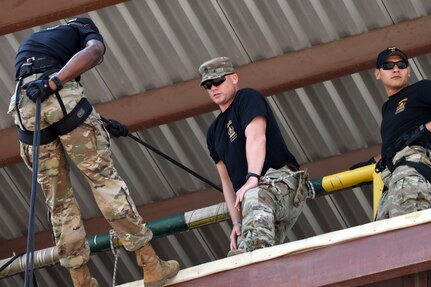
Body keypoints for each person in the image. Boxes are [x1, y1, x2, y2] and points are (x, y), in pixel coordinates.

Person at [7, 17, 179, 287]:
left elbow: (53, 108)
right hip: (56, 93)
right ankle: (151, 265)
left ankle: (81, 281)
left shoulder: (36, 41)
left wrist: (100, 120)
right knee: (104, 182)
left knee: (59, 203)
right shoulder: (80, 30)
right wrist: (54, 82)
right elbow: (93, 53)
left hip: (24, 107)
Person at [199, 57, 309, 256]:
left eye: (218, 81)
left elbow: (256, 138)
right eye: (207, 85)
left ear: (233, 78)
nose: (213, 87)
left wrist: (252, 179)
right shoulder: (213, 133)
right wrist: (237, 222)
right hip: (255, 201)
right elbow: (226, 181)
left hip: (280, 181)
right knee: (245, 249)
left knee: (254, 199)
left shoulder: (247, 98)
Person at [353, 47, 431, 220]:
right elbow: (396, 145)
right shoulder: (387, 108)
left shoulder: (421, 89)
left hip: (413, 174)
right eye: (388, 66)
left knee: (411, 239)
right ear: (378, 73)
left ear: (409, 71)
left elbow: (410, 141)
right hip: (391, 183)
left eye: (401, 64)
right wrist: (370, 164)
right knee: (386, 242)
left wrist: (424, 129)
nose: (395, 69)